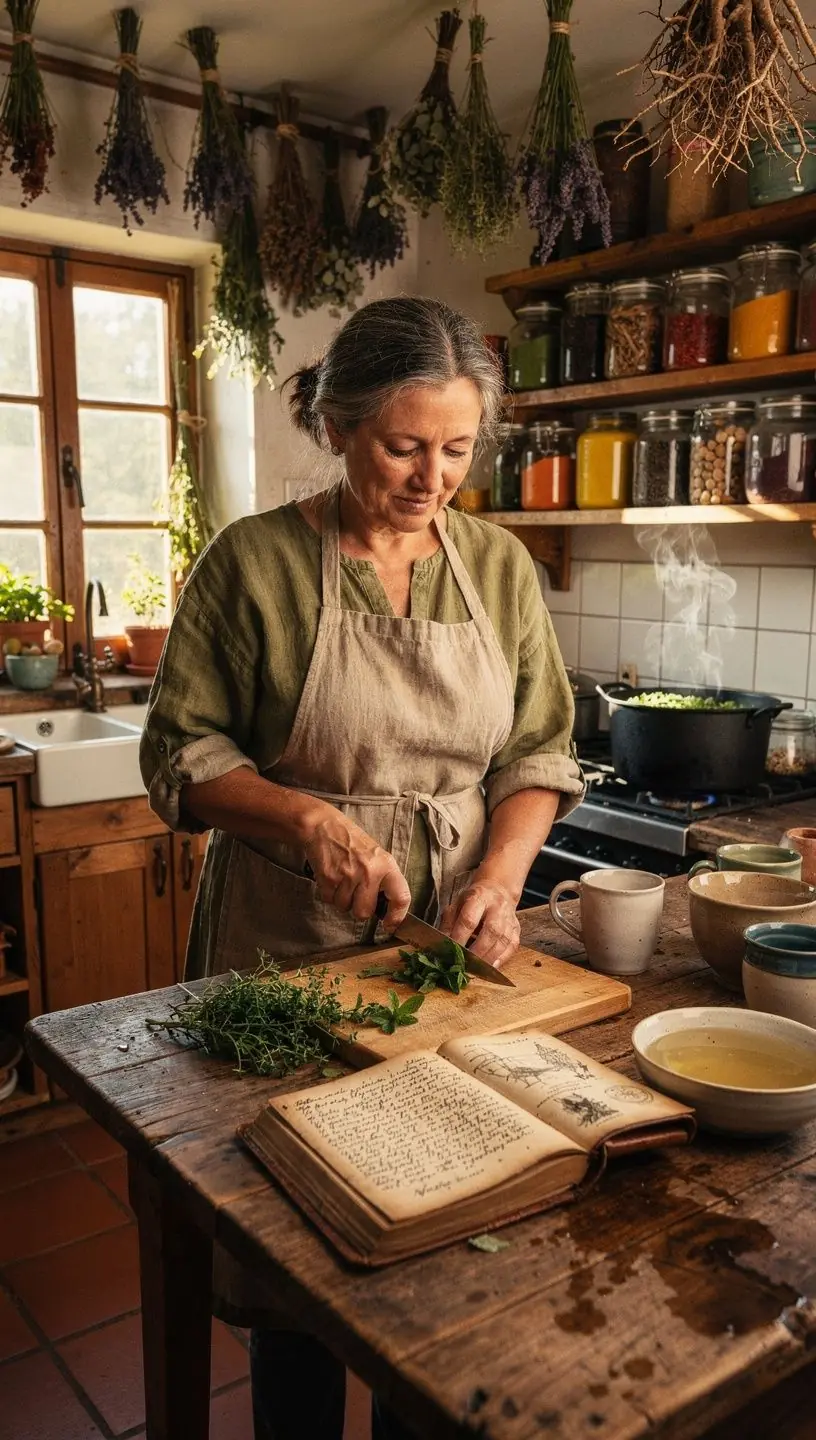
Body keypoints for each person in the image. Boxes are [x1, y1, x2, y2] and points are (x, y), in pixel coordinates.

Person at [140, 296, 584, 1440]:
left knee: (437, 1236)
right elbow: (180, 757)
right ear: (335, 427)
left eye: (457, 450)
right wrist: (309, 823)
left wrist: (500, 876)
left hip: (446, 950)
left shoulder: (498, 565)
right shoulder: (254, 563)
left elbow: (539, 751)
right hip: (283, 943)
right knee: (294, 1253)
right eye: (402, 447)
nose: (434, 479)